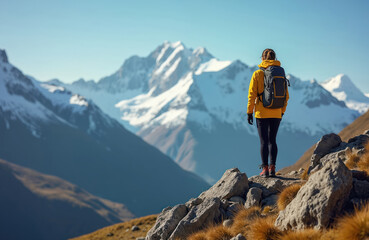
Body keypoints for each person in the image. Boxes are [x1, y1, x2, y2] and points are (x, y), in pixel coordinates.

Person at [246, 49, 289, 177]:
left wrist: (249, 112)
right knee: (272, 140)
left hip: (261, 113)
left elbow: (252, 95)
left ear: (262, 58)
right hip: (276, 113)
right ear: (275, 58)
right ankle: (273, 168)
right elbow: (286, 96)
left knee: (264, 141)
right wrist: (281, 111)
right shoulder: (280, 73)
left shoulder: (257, 74)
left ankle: (265, 170)